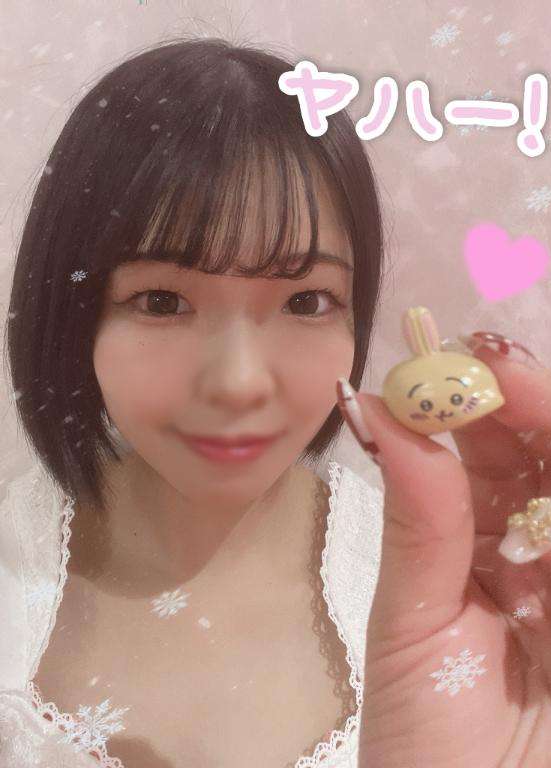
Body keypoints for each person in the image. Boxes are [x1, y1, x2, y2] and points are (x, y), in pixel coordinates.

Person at [0, 36, 388, 768]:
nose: (238, 382)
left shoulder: (432, 583)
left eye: (306, 301)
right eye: (161, 301)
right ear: (73, 311)